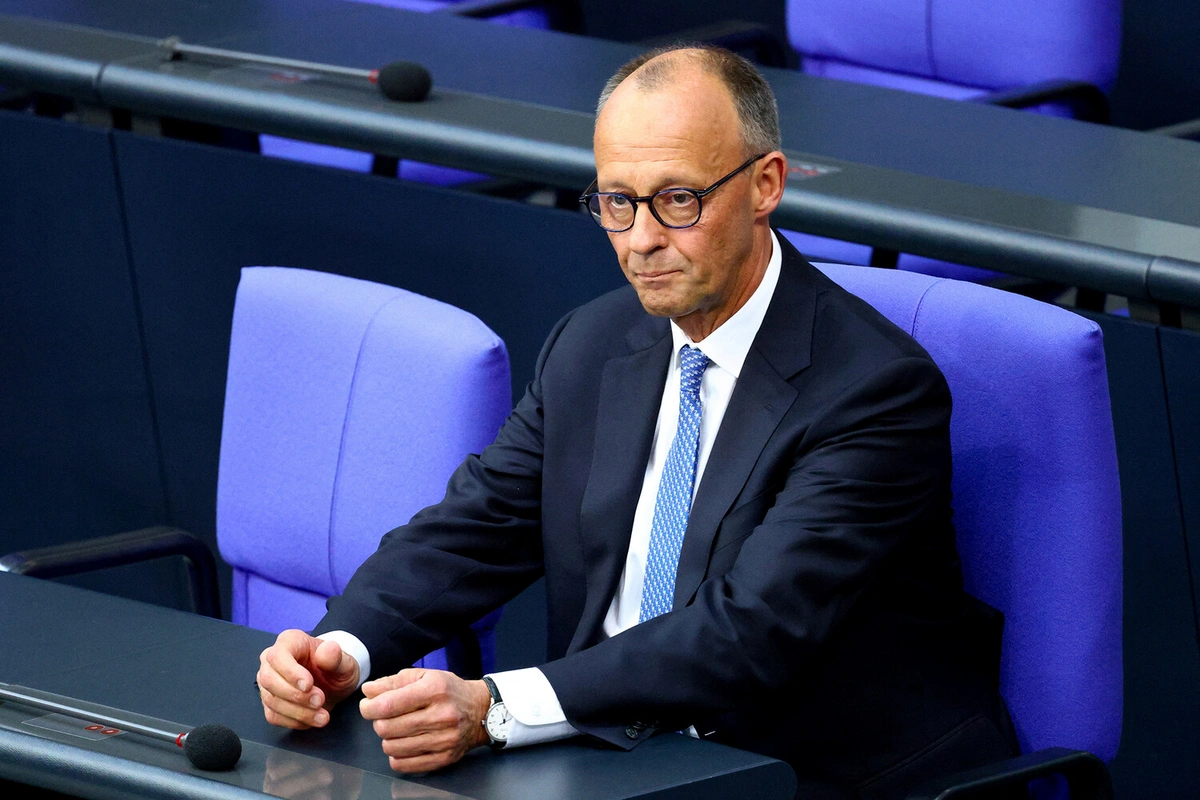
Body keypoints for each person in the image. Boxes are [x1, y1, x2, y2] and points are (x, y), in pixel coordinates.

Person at [256, 45, 1018, 799]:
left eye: (678, 200)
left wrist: (495, 707)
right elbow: (478, 526)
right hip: (610, 753)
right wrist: (342, 649)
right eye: (617, 202)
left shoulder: (874, 389)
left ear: (765, 185)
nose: (642, 239)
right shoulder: (593, 342)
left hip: (805, 772)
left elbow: (750, 629)